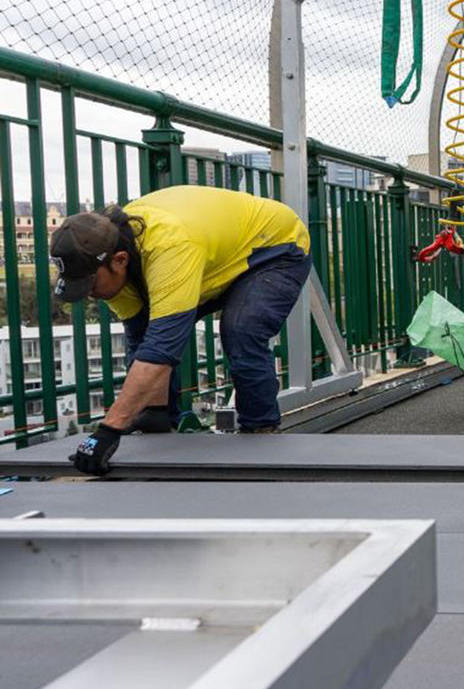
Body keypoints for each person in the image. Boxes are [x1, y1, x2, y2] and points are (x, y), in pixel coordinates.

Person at [50, 185, 313, 474]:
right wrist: (151, 412)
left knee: (241, 330)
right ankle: (160, 414)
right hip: (213, 257)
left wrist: (108, 430)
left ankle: (261, 435)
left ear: (120, 260)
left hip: (274, 247)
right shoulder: (111, 255)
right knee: (148, 337)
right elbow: (143, 340)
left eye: (90, 285)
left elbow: (161, 351)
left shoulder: (169, 247)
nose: (90, 295)